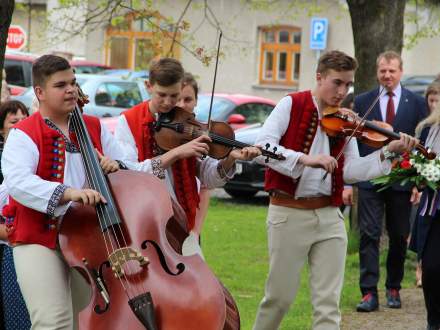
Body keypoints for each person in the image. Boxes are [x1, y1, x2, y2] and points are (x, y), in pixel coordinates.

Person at [252, 50, 418, 330]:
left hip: (330, 217)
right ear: (320, 77)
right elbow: (261, 149)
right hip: (289, 213)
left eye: (348, 85)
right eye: (337, 83)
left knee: (329, 306)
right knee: (278, 298)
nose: (343, 91)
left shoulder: (345, 120)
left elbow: (351, 171)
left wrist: (388, 152)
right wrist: (304, 159)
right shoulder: (290, 104)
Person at [1, 54, 126, 329]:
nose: (70, 89)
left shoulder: (93, 127)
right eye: (60, 85)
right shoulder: (24, 133)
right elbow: (18, 182)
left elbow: (129, 166)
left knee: (87, 320)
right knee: (53, 322)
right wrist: (69, 193)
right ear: (40, 92)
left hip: (85, 237)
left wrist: (116, 165)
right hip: (38, 237)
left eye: (73, 82)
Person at [115, 58, 260, 257]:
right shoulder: (128, 121)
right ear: (149, 86)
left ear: (182, 87)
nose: (167, 102)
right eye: (161, 95)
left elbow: (209, 178)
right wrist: (176, 153)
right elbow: (129, 174)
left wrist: (229, 159)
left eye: (174, 95)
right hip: (143, 221)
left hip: (182, 222)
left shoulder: (187, 123)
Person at [354, 51, 428, 312]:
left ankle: (393, 288)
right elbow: (354, 140)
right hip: (370, 178)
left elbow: (423, 143)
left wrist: (418, 181)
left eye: (392, 71)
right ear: (377, 72)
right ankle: (368, 292)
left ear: (401, 72)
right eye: (383, 71)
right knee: (369, 234)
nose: (387, 75)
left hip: (401, 180)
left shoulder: (417, 103)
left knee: (398, 236)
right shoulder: (363, 101)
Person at [410, 98, 440, 330]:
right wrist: (418, 177)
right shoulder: (428, 129)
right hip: (433, 209)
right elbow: (416, 165)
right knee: (430, 268)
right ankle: (433, 321)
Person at [0, 100, 30, 330]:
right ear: (1, 129)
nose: (20, 126)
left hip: (21, 242)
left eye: (24, 120)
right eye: (13, 122)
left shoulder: (30, 154)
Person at [176, 72, 210, 243]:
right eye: (178, 99)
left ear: (196, 101)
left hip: (191, 225)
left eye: (188, 100)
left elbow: (205, 187)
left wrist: (195, 232)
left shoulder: (200, 133)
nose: (182, 105)